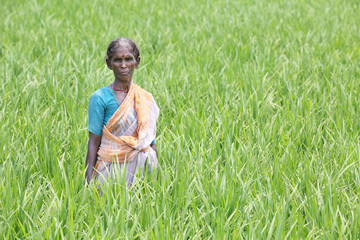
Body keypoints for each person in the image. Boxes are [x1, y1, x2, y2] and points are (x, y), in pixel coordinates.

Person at [85, 37, 159, 187]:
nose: (123, 65)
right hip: (109, 174)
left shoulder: (144, 99)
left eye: (128, 59)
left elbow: (149, 142)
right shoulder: (100, 98)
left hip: (143, 171)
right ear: (109, 64)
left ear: (137, 62)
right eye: (118, 60)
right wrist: (87, 182)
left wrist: (158, 182)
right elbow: (93, 142)